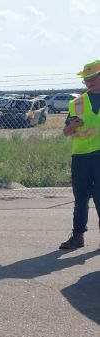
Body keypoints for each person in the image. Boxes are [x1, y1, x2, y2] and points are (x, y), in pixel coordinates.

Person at [60, 60, 100, 249]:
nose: (89, 82)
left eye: (93, 78)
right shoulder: (76, 103)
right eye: (86, 79)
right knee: (81, 198)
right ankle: (77, 237)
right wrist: (73, 126)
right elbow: (66, 132)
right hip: (81, 157)